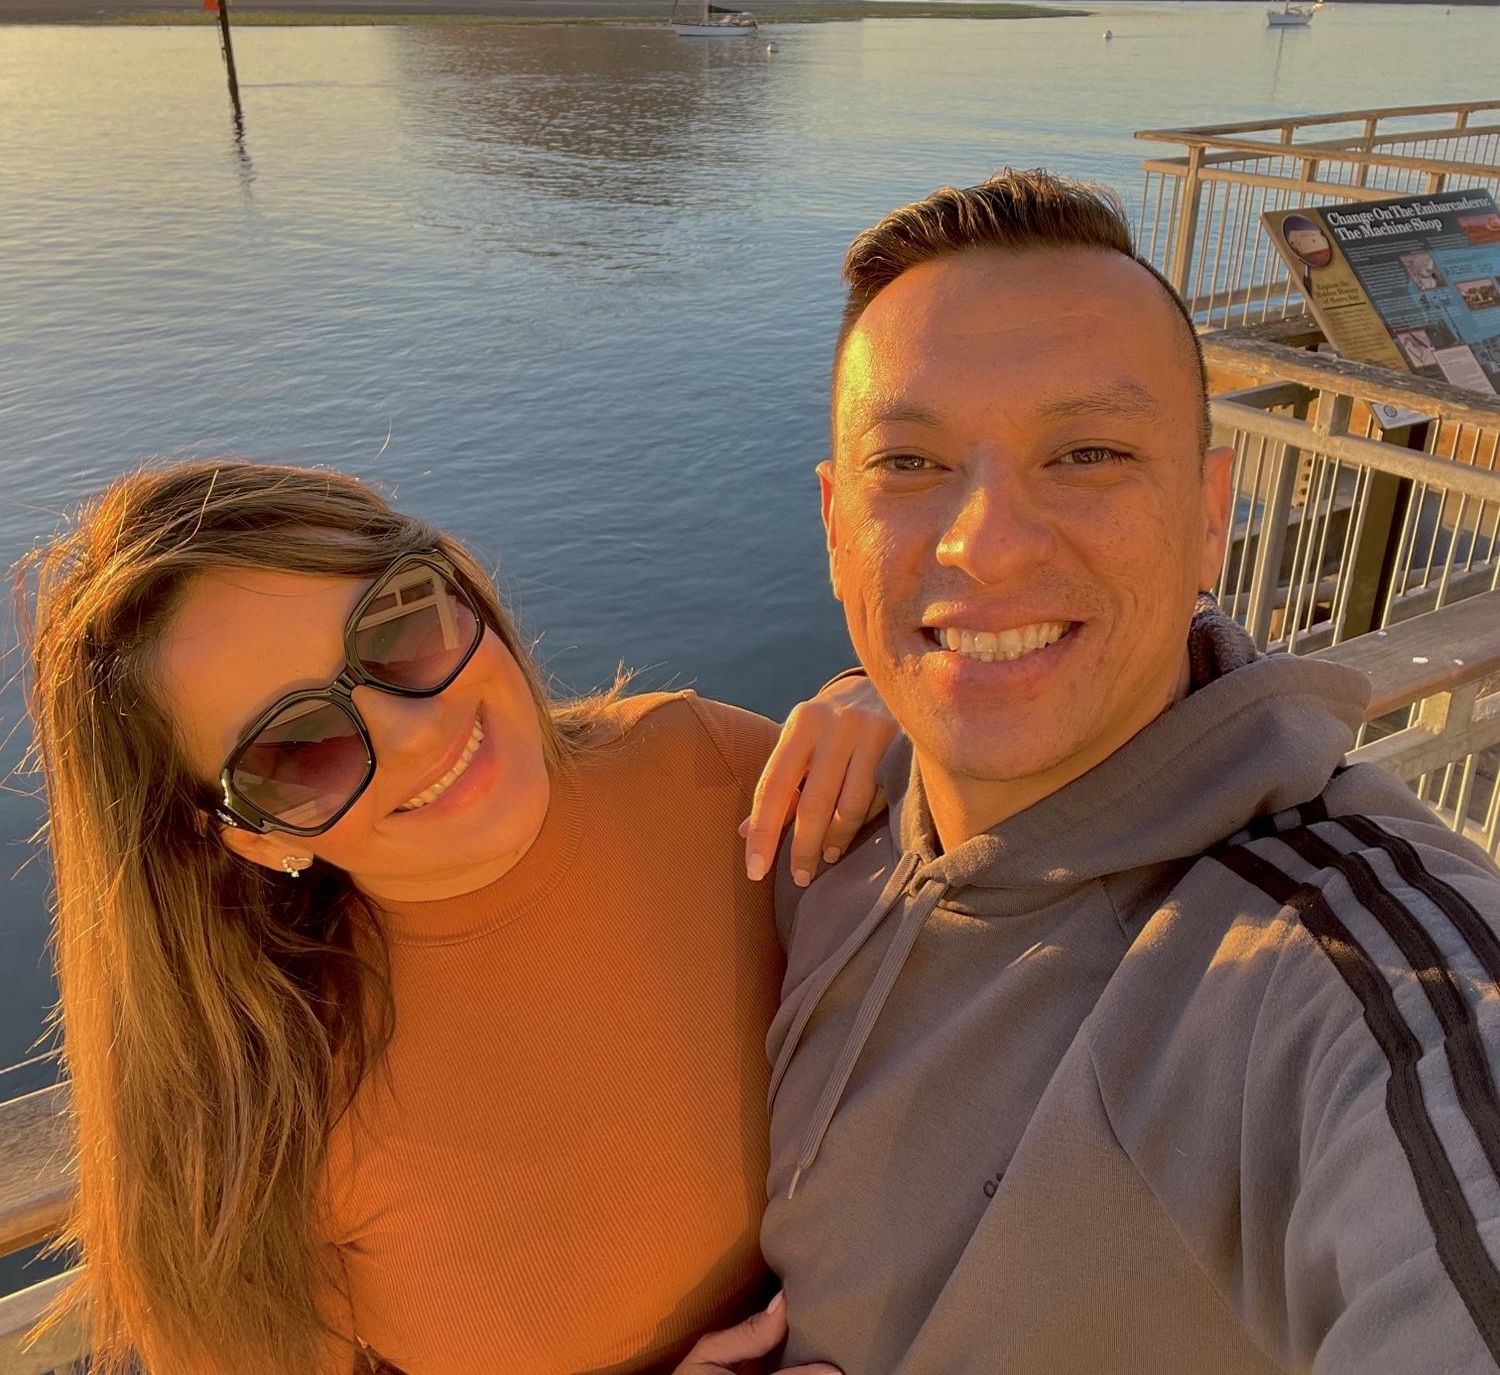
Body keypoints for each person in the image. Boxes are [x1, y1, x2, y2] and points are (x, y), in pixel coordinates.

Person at [762, 170, 1500, 1374]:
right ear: (837, 524)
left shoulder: (1336, 972)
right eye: (910, 463)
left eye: (1088, 452)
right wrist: (874, 700)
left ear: (1210, 517)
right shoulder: (824, 825)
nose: (987, 542)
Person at [19, 460, 877, 1375]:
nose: (416, 729)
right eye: (297, 748)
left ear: (455, 582)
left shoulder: (712, 772)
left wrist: (899, 710)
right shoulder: (256, 1115)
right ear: (249, 838)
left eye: (398, 625)